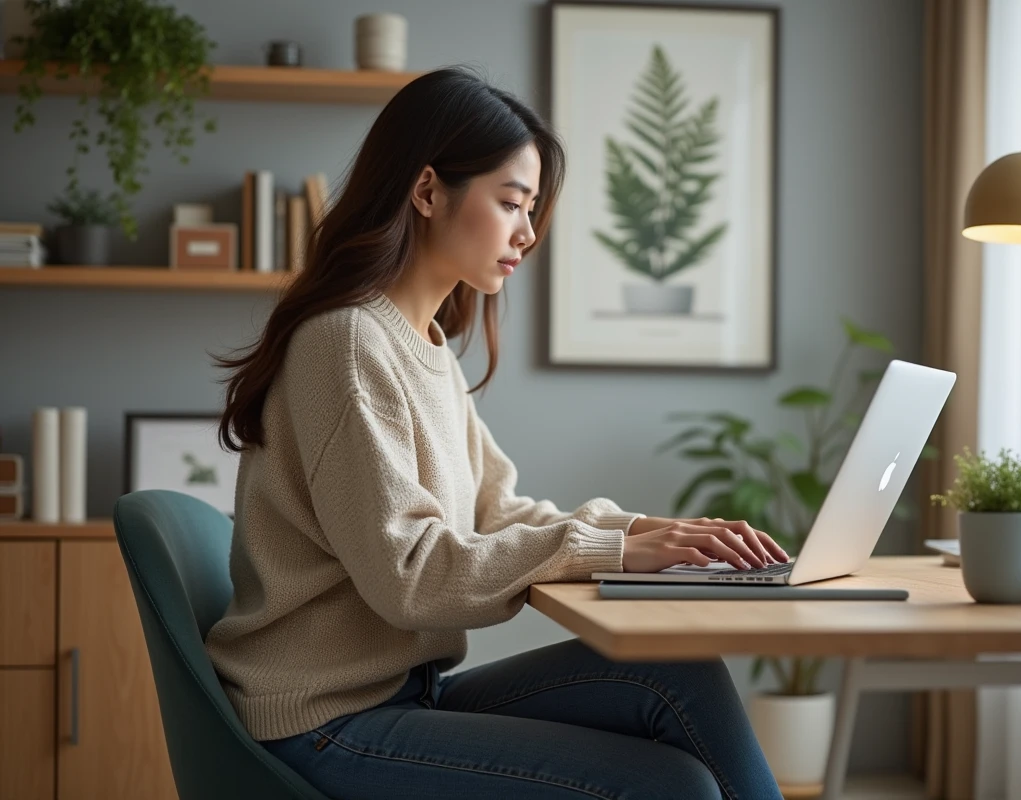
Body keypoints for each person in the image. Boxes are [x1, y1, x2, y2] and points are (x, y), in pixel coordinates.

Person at [207, 66, 789, 800]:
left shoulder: (423, 347)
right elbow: (412, 578)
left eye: (534, 208)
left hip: (400, 695)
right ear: (426, 192)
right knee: (668, 786)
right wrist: (613, 550)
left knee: (679, 675)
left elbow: (500, 511)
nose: (528, 232)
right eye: (512, 202)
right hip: (326, 722)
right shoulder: (348, 344)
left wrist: (651, 533)